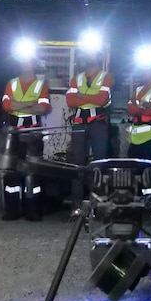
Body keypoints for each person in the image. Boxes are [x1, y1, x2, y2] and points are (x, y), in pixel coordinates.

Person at [0, 46, 52, 221]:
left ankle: (32, 208)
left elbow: (44, 107)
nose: (26, 64)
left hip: (33, 131)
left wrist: (19, 104)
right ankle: (12, 209)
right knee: (11, 170)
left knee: (33, 171)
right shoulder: (11, 83)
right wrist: (31, 103)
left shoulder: (41, 85)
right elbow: (7, 106)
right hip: (13, 132)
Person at [66, 46, 113, 202]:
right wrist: (90, 97)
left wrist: (80, 94)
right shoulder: (77, 78)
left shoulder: (106, 77)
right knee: (77, 166)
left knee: (99, 164)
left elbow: (102, 100)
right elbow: (70, 101)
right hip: (79, 124)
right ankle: (77, 207)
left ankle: (99, 206)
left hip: (98, 124)